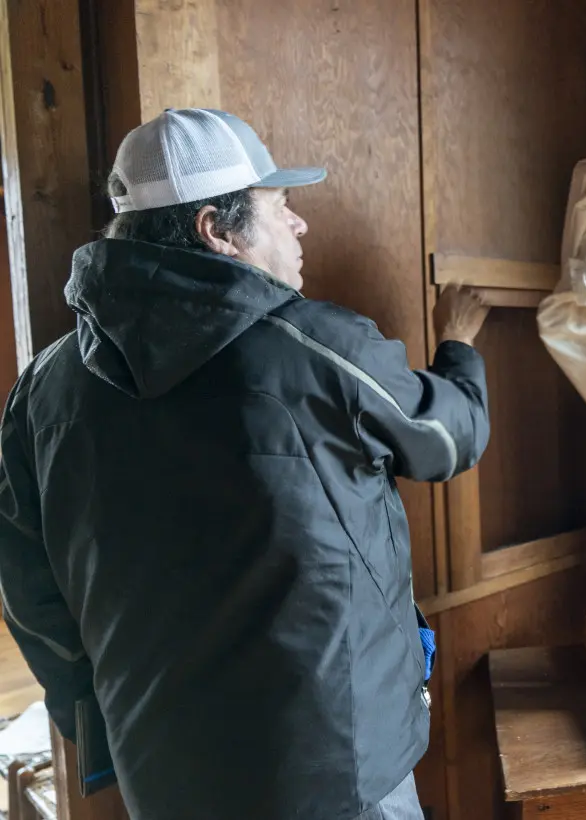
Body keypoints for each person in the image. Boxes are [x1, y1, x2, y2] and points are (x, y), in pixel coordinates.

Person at [0, 108, 489, 819]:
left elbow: (28, 592)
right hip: (338, 773)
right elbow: (450, 440)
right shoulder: (314, 346)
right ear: (216, 231)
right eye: (279, 206)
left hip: (164, 778)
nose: (299, 226)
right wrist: (459, 348)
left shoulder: (42, 387)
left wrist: (101, 718)